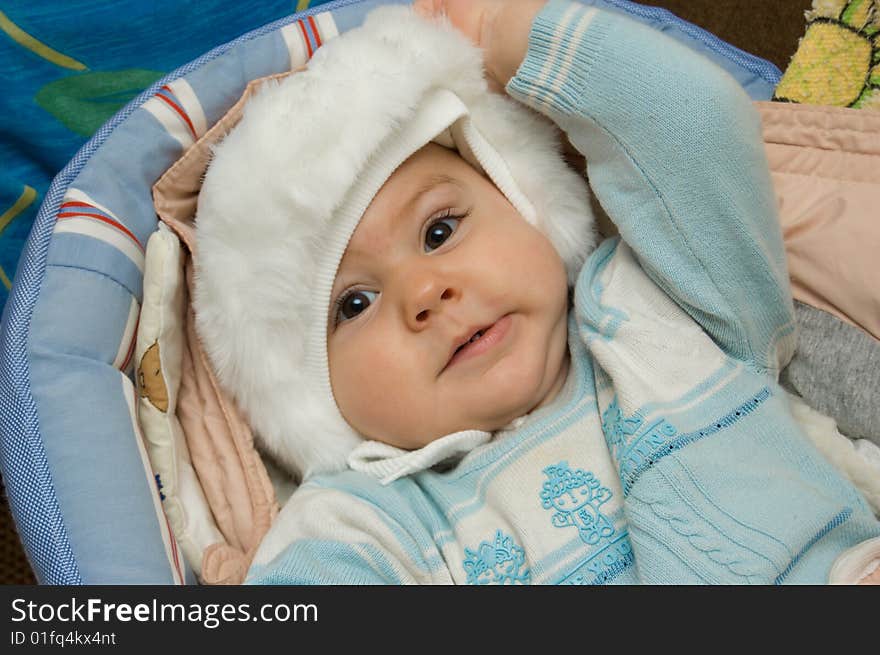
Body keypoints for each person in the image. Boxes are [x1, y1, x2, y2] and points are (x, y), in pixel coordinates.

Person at [192, 0, 880, 584]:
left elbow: (693, 125)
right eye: (353, 303)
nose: (425, 291)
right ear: (309, 394)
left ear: (531, 204)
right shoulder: (364, 520)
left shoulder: (657, 306)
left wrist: (513, 39)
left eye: (438, 230)